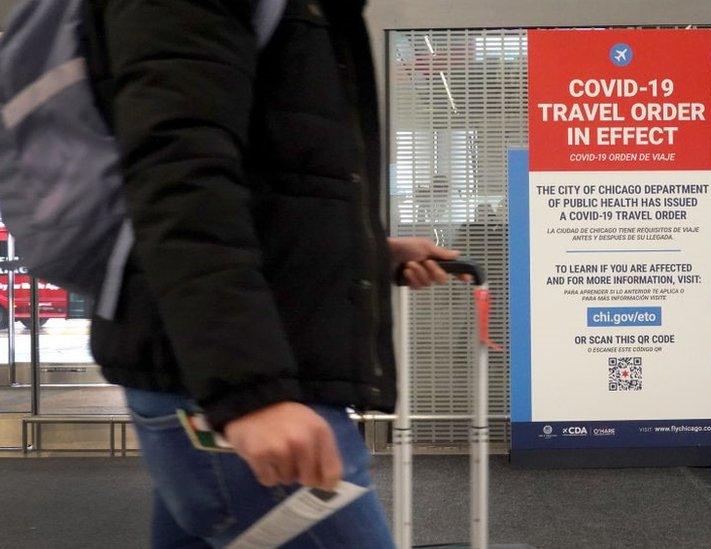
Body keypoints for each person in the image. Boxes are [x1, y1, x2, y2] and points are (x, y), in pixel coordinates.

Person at [87, 1, 456, 546]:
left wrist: (370, 251)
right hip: (236, 375)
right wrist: (250, 391)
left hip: (238, 366)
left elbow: (275, 185)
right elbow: (182, 181)